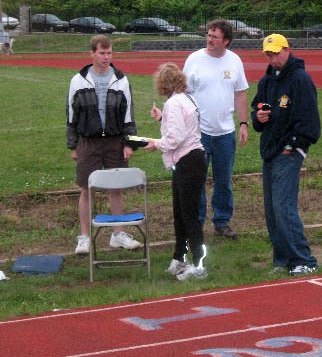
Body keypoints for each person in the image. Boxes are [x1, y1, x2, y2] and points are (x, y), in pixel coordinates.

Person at [250, 34, 320, 276]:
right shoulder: (267, 81)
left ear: (287, 50)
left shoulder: (300, 79)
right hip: (270, 150)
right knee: (272, 209)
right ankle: (282, 260)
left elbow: (310, 121)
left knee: (283, 206)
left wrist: (294, 145)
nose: (273, 58)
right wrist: (257, 118)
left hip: (288, 152)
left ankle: (304, 259)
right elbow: (257, 107)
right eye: (268, 54)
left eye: (276, 53)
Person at [66, 34, 142, 255]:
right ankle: (84, 237)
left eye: (109, 53)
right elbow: (71, 115)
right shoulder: (77, 80)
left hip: (115, 142)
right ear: (92, 54)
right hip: (88, 142)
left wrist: (129, 144)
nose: (106, 57)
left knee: (116, 188)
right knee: (85, 189)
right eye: (102, 53)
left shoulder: (121, 79)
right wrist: (73, 146)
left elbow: (128, 114)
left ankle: (117, 234)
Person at [183, 19, 249, 240]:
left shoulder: (235, 61)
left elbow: (240, 93)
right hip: (198, 133)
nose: (210, 40)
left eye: (215, 37)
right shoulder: (194, 60)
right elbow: (183, 94)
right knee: (197, 181)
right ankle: (197, 224)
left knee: (223, 181)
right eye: (209, 35)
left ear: (226, 41)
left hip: (225, 134)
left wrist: (243, 124)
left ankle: (222, 222)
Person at [144, 62, 207, 281]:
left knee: (188, 215)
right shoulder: (187, 99)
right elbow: (183, 127)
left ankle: (198, 263)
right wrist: (162, 118)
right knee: (180, 213)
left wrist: (155, 143)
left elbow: (175, 138)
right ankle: (180, 256)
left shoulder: (174, 103)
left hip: (188, 160)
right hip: (191, 160)